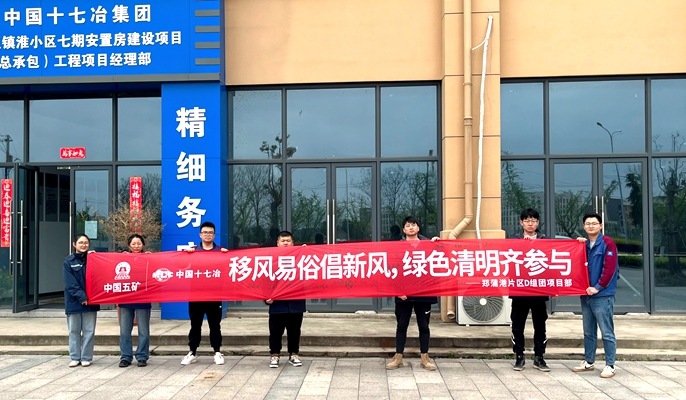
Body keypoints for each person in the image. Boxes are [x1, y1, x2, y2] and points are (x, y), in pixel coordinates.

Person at [386, 216, 440, 371]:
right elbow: (392, 269)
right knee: (401, 326)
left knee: (424, 326)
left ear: (418, 228)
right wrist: (397, 290)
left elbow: (440, 260)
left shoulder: (429, 245)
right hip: (403, 293)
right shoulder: (398, 247)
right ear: (403, 230)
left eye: (413, 225)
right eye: (407, 226)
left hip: (424, 293)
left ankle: (425, 358)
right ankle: (398, 357)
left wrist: (438, 244)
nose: (411, 228)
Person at [573, 212, 619, 378]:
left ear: (601, 226)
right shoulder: (583, 245)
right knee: (588, 331)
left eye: (594, 223)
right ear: (584, 226)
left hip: (602, 295)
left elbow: (610, 269)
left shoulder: (608, 243)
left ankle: (610, 365)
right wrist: (577, 244)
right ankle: (589, 361)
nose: (591, 226)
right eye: (588, 223)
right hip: (586, 294)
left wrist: (598, 287)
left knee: (606, 331)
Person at [181, 221, 229, 366]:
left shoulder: (221, 251)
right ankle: (192, 352)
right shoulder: (192, 251)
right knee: (195, 325)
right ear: (200, 235)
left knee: (215, 326)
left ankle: (217, 352)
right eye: (205, 232)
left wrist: (227, 256)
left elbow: (229, 269)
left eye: (210, 233)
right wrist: (185, 255)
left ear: (214, 235)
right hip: (196, 295)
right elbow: (180, 267)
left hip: (214, 296)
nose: (208, 235)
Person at [510, 208, 551, 372]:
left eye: (533, 220)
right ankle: (519, 356)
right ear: (521, 223)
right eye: (527, 220)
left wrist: (554, 287)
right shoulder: (513, 240)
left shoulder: (546, 241)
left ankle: (539, 357)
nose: (530, 223)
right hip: (519, 290)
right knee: (517, 325)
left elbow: (552, 265)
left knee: (540, 326)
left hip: (539, 290)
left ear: (538, 223)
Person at [266, 230, 306, 368]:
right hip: (277, 304)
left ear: (293, 243)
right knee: (275, 332)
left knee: (294, 331)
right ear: (277, 243)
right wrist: (266, 298)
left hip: (296, 303)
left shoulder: (301, 258)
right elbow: (264, 280)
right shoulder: (270, 259)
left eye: (288, 241)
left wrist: (308, 253)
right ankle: (275, 355)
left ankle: (294, 354)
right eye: (283, 241)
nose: (285, 243)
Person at [63, 234, 100, 368]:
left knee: (89, 331)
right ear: (74, 244)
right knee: (74, 331)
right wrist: (81, 297)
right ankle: (75, 357)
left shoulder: (93, 259)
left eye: (86, 243)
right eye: (80, 242)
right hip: (74, 302)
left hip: (91, 301)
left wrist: (95, 257)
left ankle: (86, 357)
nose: (83, 245)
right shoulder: (69, 261)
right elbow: (70, 283)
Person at [118, 234, 152, 368]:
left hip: (143, 298)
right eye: (133, 244)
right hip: (126, 297)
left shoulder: (149, 258)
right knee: (124, 330)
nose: (136, 246)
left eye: (139, 243)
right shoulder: (122, 258)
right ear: (129, 246)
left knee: (144, 330)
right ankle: (125, 357)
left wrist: (152, 259)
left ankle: (142, 356)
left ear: (143, 245)